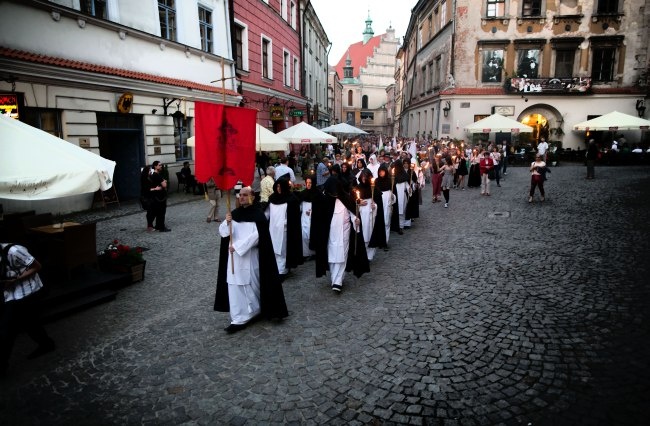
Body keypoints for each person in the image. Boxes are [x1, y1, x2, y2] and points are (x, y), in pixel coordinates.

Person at [214, 187, 288, 333]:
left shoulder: (258, 214)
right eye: (240, 195)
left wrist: (238, 246)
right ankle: (238, 317)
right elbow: (223, 233)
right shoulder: (234, 214)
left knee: (250, 285)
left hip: (249, 257)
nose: (241, 197)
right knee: (234, 286)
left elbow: (257, 236)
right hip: (233, 258)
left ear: (252, 197)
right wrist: (227, 222)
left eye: (245, 195)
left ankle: (253, 310)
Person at [1, 243, 56, 378]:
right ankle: (46, 343)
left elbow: (37, 266)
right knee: (29, 321)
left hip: (27, 291)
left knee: (7, 330)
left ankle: (2, 366)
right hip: (9, 294)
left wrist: (15, 280)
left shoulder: (14, 251)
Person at [310, 173, 369, 293]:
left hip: (344, 232)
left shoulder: (346, 198)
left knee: (342, 255)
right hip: (331, 234)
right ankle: (334, 278)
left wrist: (356, 220)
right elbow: (319, 218)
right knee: (332, 257)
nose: (335, 193)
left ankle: (338, 281)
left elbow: (353, 213)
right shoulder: (325, 201)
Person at [266, 178, 303, 279]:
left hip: (285, 230)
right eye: (277, 186)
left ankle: (282, 270)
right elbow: (267, 213)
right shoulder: (272, 198)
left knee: (282, 250)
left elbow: (295, 216)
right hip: (273, 228)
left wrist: (285, 223)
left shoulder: (292, 199)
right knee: (274, 248)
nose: (278, 189)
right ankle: (277, 268)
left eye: (280, 186)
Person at [298, 175, 318, 261]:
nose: (308, 184)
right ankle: (306, 253)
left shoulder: (317, 194)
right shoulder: (303, 194)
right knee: (304, 235)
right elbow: (300, 206)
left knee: (313, 234)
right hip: (305, 218)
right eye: (307, 183)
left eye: (310, 183)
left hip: (314, 219)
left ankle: (315, 253)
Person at [148, 161, 170, 232]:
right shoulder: (157, 175)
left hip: (157, 196)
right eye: (159, 165)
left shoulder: (153, 174)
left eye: (161, 165)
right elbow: (164, 185)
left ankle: (158, 226)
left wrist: (163, 181)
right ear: (155, 166)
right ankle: (161, 227)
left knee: (158, 212)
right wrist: (164, 182)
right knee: (161, 212)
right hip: (160, 197)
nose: (161, 166)